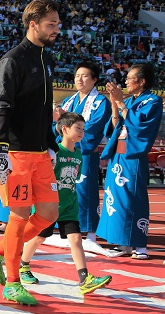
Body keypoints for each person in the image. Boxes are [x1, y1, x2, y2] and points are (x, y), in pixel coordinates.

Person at [0, 0, 62, 307]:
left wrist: (51, 143)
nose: (56, 29)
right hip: (15, 151)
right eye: (51, 24)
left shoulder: (46, 58)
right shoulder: (12, 60)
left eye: (57, 24)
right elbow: (3, 105)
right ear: (33, 24)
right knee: (19, 215)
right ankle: (12, 283)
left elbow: (43, 107)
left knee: (49, 214)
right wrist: (0, 147)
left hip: (40, 152)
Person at [20, 112, 113, 293]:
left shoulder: (78, 154)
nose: (81, 132)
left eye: (83, 129)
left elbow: (74, 179)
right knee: (39, 237)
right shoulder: (54, 152)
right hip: (49, 204)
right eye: (78, 128)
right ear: (64, 129)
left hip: (69, 205)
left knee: (76, 239)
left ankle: (84, 279)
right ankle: (23, 264)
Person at [97, 63, 163, 259]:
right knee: (116, 198)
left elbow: (139, 127)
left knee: (134, 197)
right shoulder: (128, 100)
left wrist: (121, 103)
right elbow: (114, 128)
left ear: (141, 81)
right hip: (118, 154)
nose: (125, 81)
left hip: (133, 156)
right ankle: (123, 243)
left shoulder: (153, 100)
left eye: (129, 78)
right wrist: (114, 105)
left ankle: (140, 245)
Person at [53, 61, 111, 242]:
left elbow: (92, 130)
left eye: (84, 76)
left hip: (84, 154)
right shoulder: (69, 101)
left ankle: (90, 231)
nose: (79, 79)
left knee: (85, 191)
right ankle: (64, 229)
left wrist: (66, 126)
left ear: (94, 79)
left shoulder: (100, 102)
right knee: (63, 190)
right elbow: (57, 127)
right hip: (64, 153)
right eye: (77, 75)